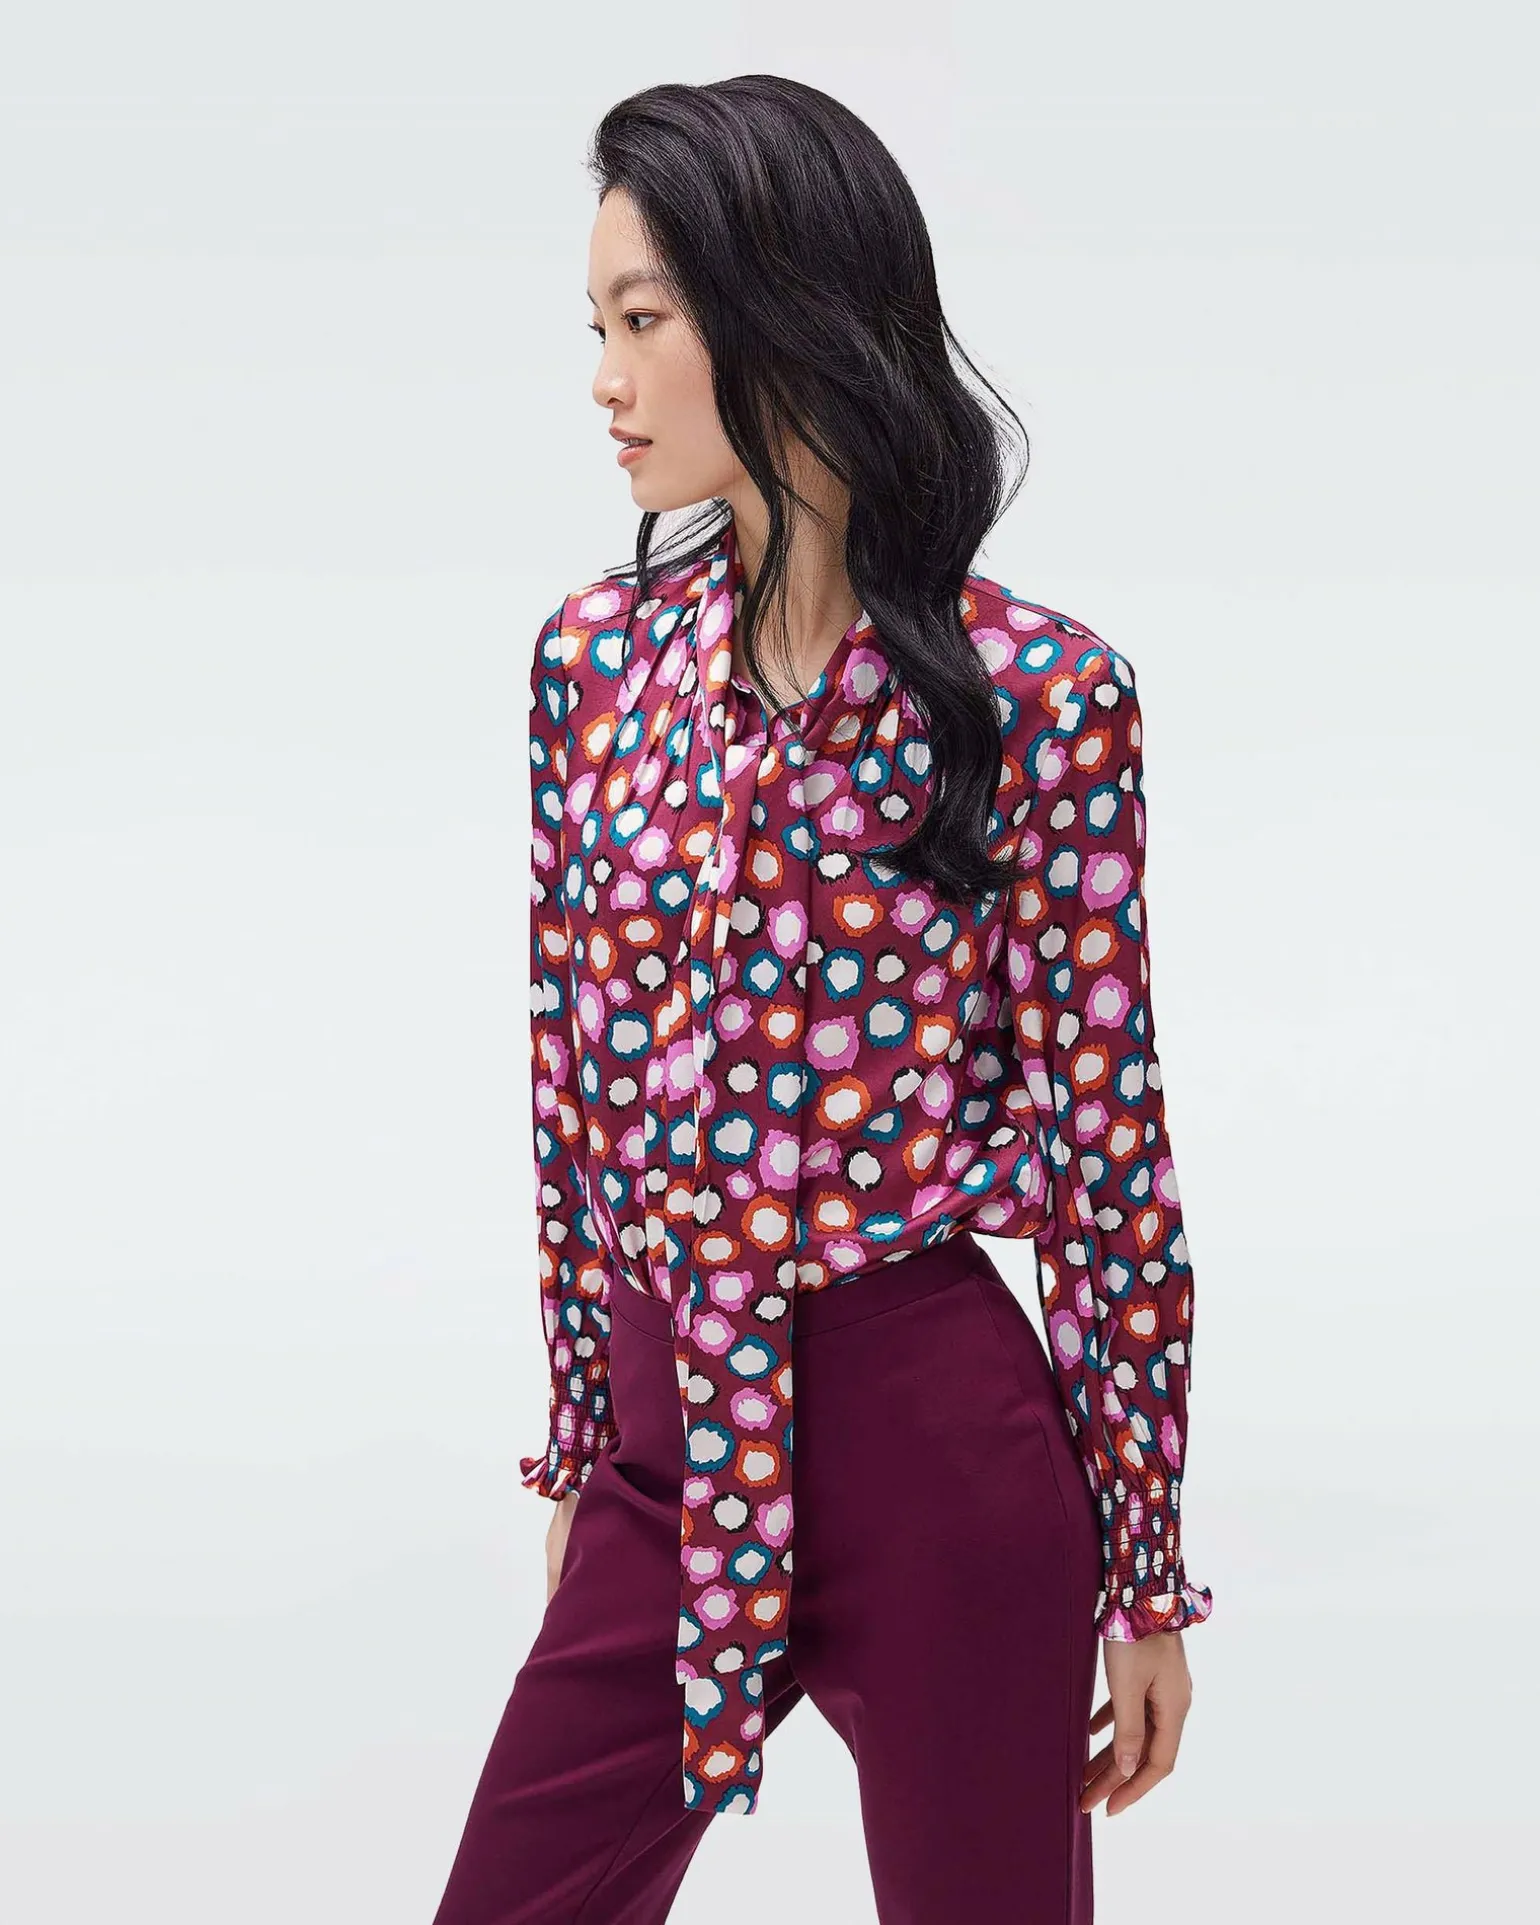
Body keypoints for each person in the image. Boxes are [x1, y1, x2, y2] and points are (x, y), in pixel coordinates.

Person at [431, 73, 1213, 1925]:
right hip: (665, 1448)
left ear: (774, 311)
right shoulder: (590, 668)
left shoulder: (1038, 700)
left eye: (643, 321)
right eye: (596, 327)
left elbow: (1111, 1160)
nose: (606, 381)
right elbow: (568, 1092)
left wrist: (1144, 1571)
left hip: (940, 1461)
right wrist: (586, 1440)